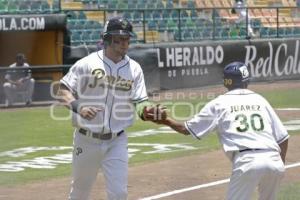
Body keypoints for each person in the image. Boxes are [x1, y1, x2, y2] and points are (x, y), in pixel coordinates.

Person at [56, 17, 161, 200]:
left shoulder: (134, 69)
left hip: (116, 141)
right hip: (86, 140)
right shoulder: (87, 64)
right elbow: (63, 90)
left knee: (119, 193)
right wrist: (78, 107)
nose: (123, 44)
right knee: (81, 191)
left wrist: (148, 110)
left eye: (127, 39)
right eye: (118, 39)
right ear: (106, 39)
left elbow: (140, 102)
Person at [152, 61, 289, 200]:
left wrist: (166, 120)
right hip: (274, 160)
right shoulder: (260, 100)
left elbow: (186, 129)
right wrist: (279, 165)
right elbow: (283, 138)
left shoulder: (219, 103)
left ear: (226, 82)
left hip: (247, 162)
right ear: (246, 80)